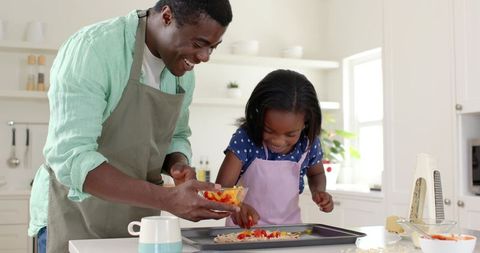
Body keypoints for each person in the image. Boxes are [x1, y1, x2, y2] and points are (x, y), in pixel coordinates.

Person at [28, 1, 238, 252]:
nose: (204, 57)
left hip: (135, 223)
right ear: (167, 16)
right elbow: (72, 157)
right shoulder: (93, 49)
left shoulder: (182, 70)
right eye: (198, 44)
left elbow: (176, 135)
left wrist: (177, 165)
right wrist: (167, 199)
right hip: (73, 217)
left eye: (212, 48)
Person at [216, 69, 334, 228]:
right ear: (258, 116)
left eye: (290, 134)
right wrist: (236, 206)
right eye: (269, 130)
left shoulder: (308, 143)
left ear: (306, 122)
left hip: (289, 232)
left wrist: (319, 191)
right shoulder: (246, 139)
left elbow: (317, 173)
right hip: (242, 233)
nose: (278, 141)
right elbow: (222, 187)